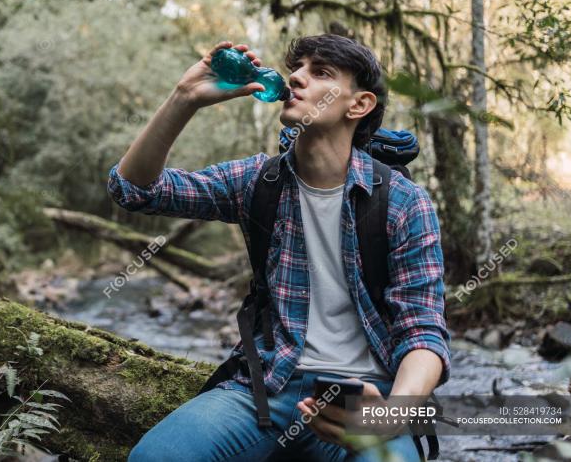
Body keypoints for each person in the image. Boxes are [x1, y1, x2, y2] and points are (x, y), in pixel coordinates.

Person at [107, 34, 450, 461]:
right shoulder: (258, 182)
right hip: (266, 390)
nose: (297, 77)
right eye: (298, 67)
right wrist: (185, 98)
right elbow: (134, 190)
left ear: (359, 105)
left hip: (366, 399)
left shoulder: (402, 202)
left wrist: (395, 415)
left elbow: (422, 334)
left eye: (320, 72)